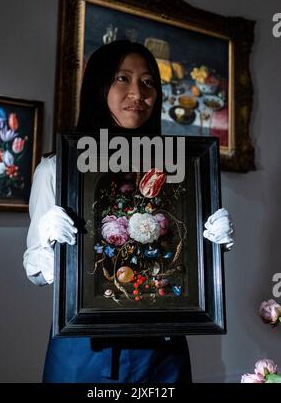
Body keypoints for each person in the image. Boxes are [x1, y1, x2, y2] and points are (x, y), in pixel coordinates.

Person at [23, 40, 234, 383]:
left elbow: (180, 262)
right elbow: (34, 269)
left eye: (149, 82)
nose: (138, 92)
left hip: (163, 348)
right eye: (123, 78)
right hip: (85, 349)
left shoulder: (176, 171)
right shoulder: (57, 169)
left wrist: (210, 242)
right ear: (98, 87)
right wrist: (48, 252)